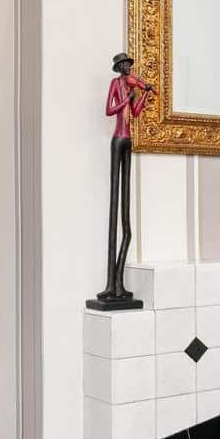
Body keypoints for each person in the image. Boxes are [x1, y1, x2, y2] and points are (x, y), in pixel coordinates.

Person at [95, 51, 154, 307]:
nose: (129, 68)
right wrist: (125, 100)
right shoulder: (115, 84)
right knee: (114, 205)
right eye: (125, 65)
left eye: (129, 64)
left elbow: (136, 113)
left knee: (126, 215)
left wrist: (144, 95)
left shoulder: (132, 87)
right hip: (117, 140)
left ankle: (118, 284)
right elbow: (110, 110)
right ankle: (111, 285)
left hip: (129, 141)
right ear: (119, 67)